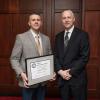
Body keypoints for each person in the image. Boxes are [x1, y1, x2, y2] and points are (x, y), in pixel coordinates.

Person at [10, 13, 52, 100]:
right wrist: (21, 73)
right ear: (29, 23)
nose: (36, 22)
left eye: (38, 20)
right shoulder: (21, 37)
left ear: (41, 23)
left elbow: (49, 57)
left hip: (43, 81)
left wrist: (52, 72)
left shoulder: (46, 39)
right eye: (33, 20)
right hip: (28, 81)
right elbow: (14, 59)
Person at [54, 10, 90, 100]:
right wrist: (60, 71)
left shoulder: (82, 35)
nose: (66, 20)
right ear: (61, 20)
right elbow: (55, 56)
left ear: (73, 19)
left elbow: (84, 57)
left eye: (69, 17)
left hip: (77, 78)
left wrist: (70, 72)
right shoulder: (58, 37)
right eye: (64, 18)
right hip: (62, 79)